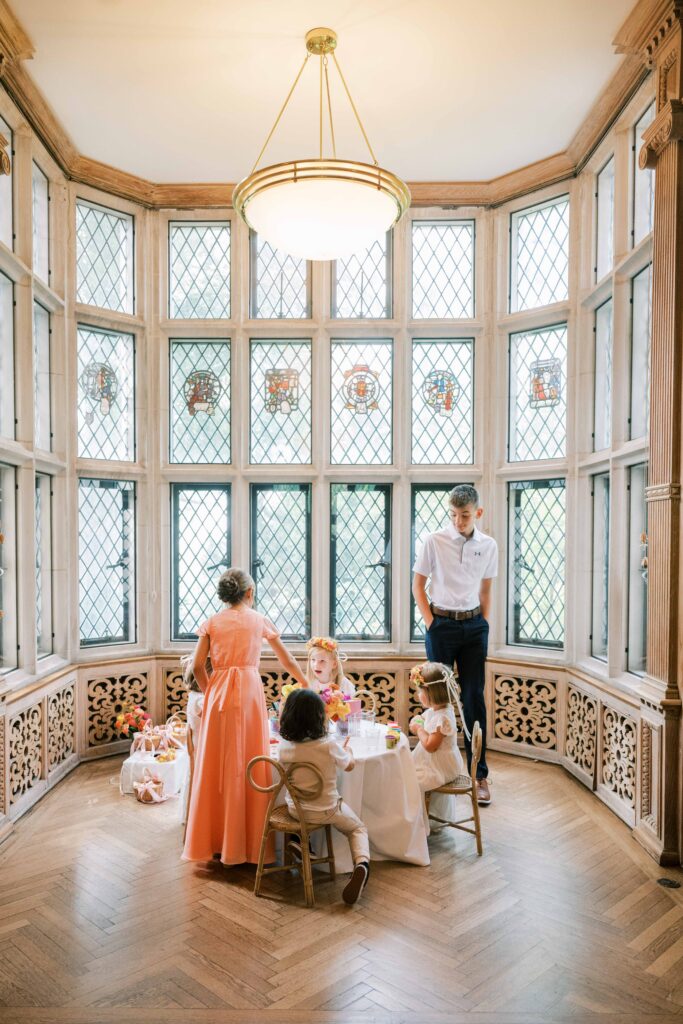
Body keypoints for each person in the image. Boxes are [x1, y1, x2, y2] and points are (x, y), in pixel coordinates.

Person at [182, 568, 309, 866]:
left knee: (214, 764)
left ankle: (214, 843)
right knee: (251, 761)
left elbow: (198, 666)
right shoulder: (259, 619)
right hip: (250, 692)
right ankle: (250, 847)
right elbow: (285, 658)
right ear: (249, 593)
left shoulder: (212, 622)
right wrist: (306, 683)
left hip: (219, 693)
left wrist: (211, 690)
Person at [412, 484, 498, 804]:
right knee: (439, 699)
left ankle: (480, 775)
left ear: (478, 513)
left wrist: (483, 624)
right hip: (441, 625)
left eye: (464, 516)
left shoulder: (489, 545)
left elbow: (486, 590)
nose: (458, 521)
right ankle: (436, 767)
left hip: (474, 627)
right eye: (453, 515)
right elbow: (418, 585)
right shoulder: (434, 541)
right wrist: (431, 623)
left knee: (474, 698)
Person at [278, 688, 370, 904]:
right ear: (320, 717)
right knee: (358, 829)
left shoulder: (284, 748)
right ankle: (362, 864)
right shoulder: (328, 745)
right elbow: (349, 767)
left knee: (302, 805)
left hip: (296, 810)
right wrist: (348, 752)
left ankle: (301, 843)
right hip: (327, 809)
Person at [409, 662, 464, 822]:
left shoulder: (443, 717)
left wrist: (419, 730)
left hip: (440, 766)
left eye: (421, 691)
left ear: (431, 693)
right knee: (405, 772)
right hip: (435, 761)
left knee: (409, 780)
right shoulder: (438, 710)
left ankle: (416, 820)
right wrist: (419, 720)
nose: (419, 695)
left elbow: (431, 746)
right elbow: (424, 718)